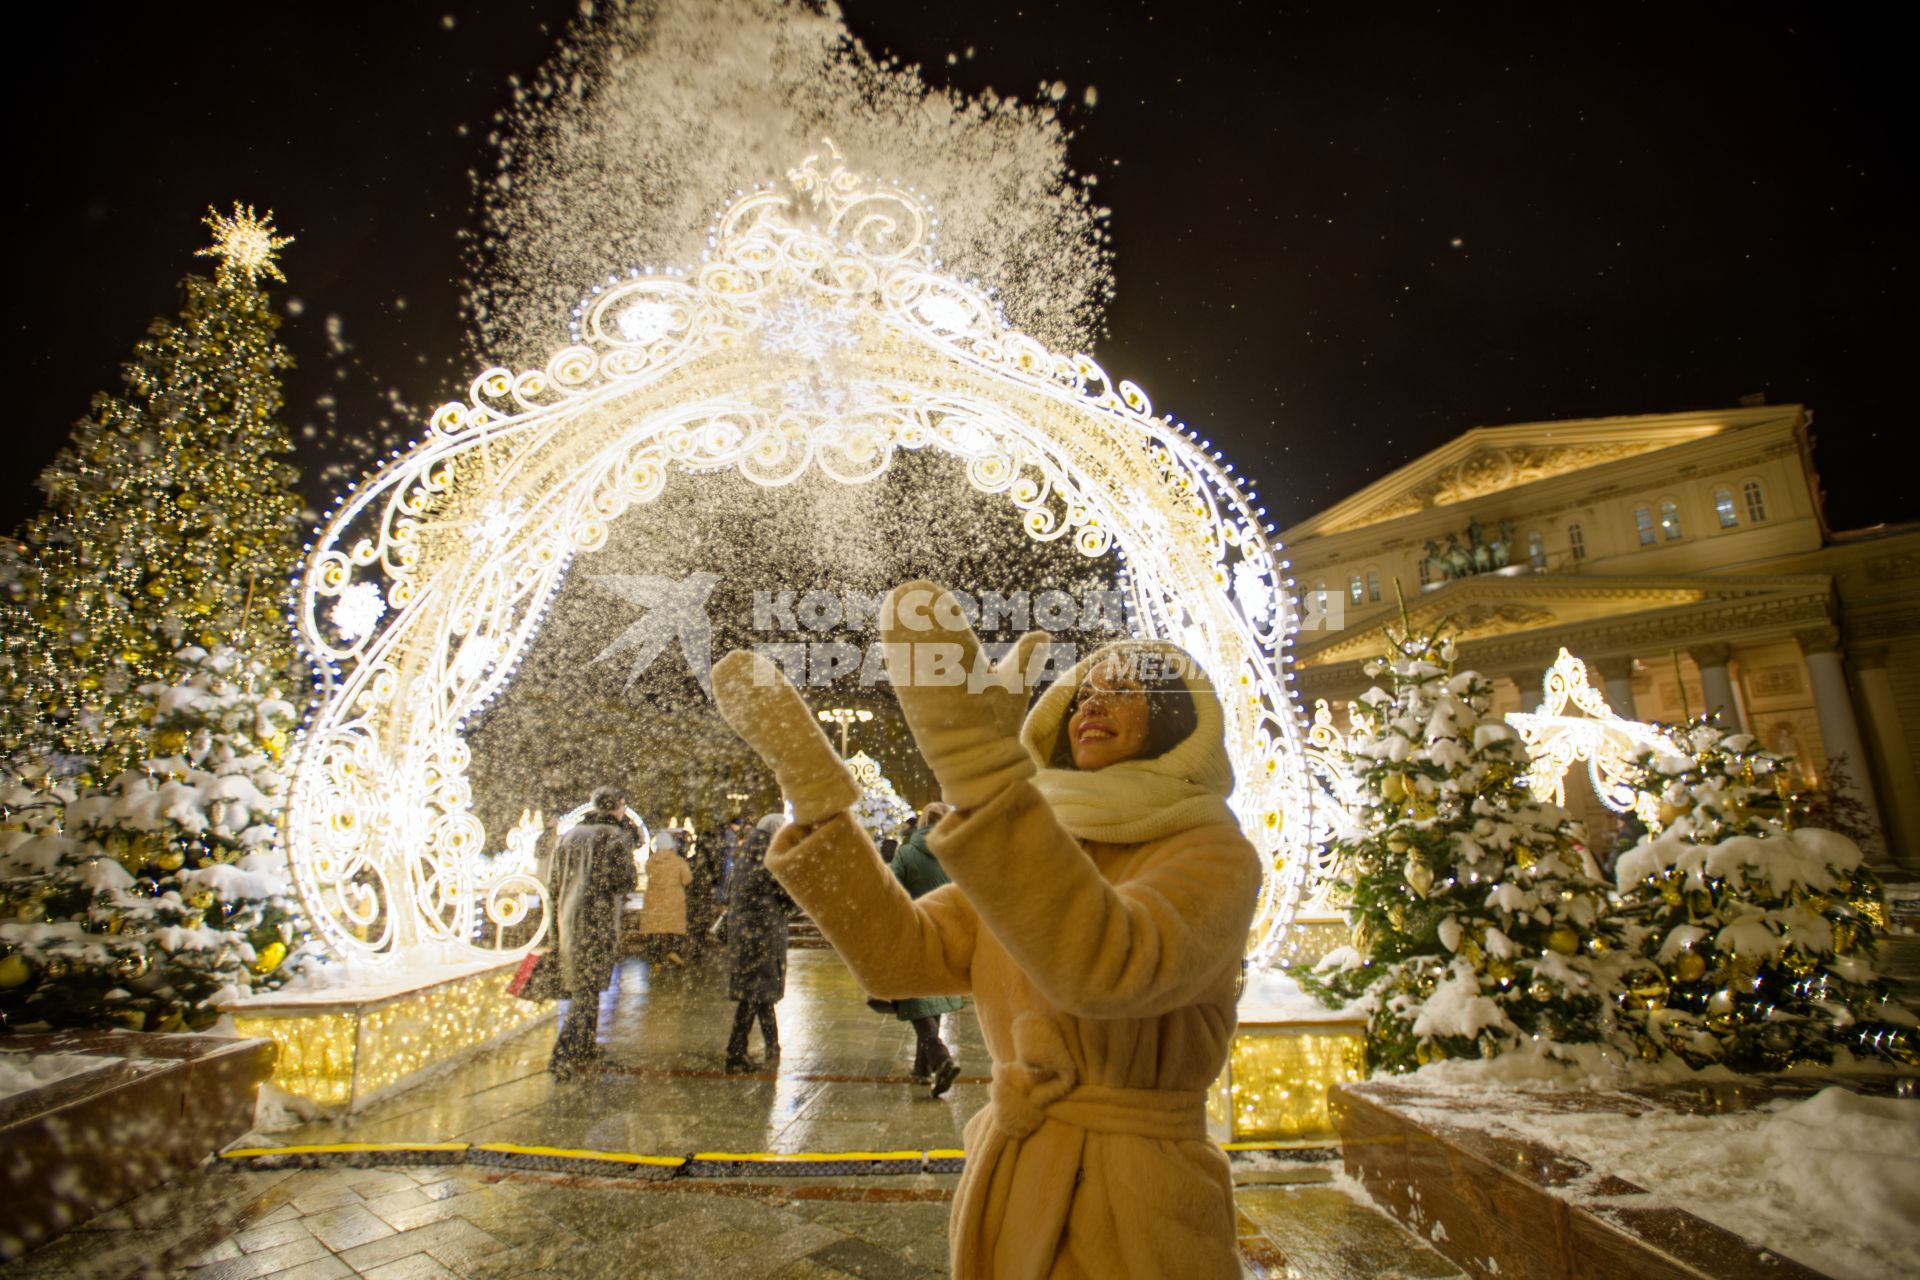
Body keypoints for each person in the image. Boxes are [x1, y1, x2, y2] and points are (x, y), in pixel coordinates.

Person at [711, 580, 1260, 1278]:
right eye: (1084, 693)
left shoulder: (1210, 853)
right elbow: (902, 955)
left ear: (1176, 722)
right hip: (1014, 1183)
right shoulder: (1035, 846)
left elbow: (1109, 967)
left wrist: (982, 769)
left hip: (1138, 1204)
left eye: (1122, 690)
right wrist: (816, 801)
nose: (1092, 703)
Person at [546, 785, 640, 1079]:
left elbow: (552, 885)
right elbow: (625, 882)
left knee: (584, 987)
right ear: (617, 807)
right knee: (587, 991)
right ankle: (561, 1054)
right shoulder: (614, 838)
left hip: (568, 920)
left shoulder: (568, 837)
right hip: (597, 921)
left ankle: (585, 1047)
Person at [887, 801, 964, 1096]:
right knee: (936, 995)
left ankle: (941, 1058)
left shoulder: (907, 852)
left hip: (917, 933)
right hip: (949, 935)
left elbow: (893, 890)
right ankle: (922, 1068)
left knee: (915, 998)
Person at [723, 812, 797, 1073]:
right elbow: (789, 893)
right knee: (754, 994)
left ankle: (772, 1044)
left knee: (759, 991)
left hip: (747, 933)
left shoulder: (748, 855)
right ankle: (735, 1051)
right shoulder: (770, 857)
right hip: (761, 933)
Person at [637, 828, 694, 968]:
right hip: (674, 899)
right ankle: (673, 951)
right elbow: (687, 879)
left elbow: (649, 873)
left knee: (655, 928)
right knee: (673, 928)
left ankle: (656, 957)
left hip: (654, 898)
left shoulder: (651, 861)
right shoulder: (679, 862)